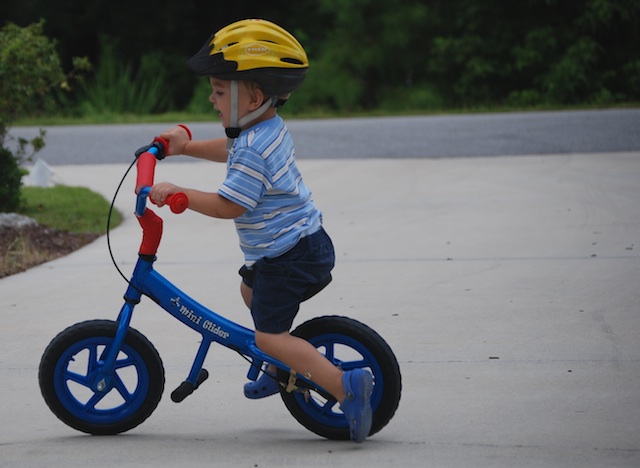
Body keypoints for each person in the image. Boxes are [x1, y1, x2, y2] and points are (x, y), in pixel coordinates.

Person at [149, 19, 373, 443]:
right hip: (295, 246)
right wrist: (183, 148)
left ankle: (346, 388)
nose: (211, 98)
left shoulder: (254, 147)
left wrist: (180, 193)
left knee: (269, 337)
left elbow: (228, 204)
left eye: (218, 91)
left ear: (251, 96)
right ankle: (282, 366)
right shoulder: (260, 130)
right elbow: (228, 149)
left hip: (292, 256)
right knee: (250, 291)